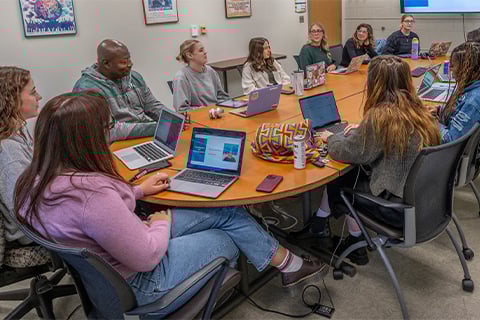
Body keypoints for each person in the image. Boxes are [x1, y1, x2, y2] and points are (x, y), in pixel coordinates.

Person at [15, 91, 326, 316]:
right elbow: (147, 256)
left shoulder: (35, 180)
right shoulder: (93, 198)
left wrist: (137, 192)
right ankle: (288, 265)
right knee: (226, 236)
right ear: (87, 141)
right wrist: (160, 223)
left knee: (225, 210)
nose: (110, 134)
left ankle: (288, 265)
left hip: (114, 258)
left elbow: (95, 217)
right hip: (144, 279)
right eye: (106, 130)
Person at [313, 56, 440, 265]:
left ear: (375, 82)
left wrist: (331, 137)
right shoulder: (417, 109)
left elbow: (345, 152)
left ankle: (354, 241)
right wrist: (362, 129)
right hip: (424, 201)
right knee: (355, 171)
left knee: (343, 177)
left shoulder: (381, 116)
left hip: (395, 209)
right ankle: (319, 221)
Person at [73, 39, 166, 142]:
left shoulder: (134, 77)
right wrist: (156, 128)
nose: (130, 64)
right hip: (115, 145)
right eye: (124, 62)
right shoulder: (87, 89)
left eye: (129, 59)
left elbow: (152, 105)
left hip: (145, 136)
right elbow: (107, 132)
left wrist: (173, 121)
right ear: (106, 64)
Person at [0, 66, 42, 245]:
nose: (39, 97)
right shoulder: (9, 150)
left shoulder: (18, 131)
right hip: (32, 233)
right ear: (12, 100)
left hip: (40, 214)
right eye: (33, 92)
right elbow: (25, 211)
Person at [437, 42, 480, 143]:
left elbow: (448, 140)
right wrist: (440, 111)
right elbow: (458, 112)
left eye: (452, 66)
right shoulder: (471, 87)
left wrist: (431, 122)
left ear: (466, 69)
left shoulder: (473, 102)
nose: (450, 70)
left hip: (447, 152)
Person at [173, 40, 230, 111]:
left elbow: (222, 97)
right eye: (201, 50)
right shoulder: (181, 77)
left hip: (216, 114)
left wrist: (219, 110)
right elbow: (182, 110)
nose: (205, 52)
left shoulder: (210, 71)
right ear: (189, 55)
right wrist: (205, 111)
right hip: (199, 117)